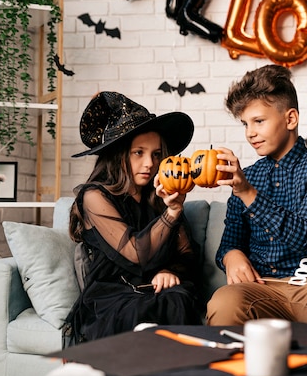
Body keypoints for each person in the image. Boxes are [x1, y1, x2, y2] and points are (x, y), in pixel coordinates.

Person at [206, 64, 307, 326]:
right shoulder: (245, 175)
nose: (250, 133)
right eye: (245, 124)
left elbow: (304, 235)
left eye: (259, 121)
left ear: (290, 118)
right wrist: (231, 256)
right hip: (262, 288)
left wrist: (247, 192)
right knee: (223, 302)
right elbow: (229, 242)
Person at [64, 91, 204, 346]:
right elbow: (135, 253)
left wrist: (168, 270)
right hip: (115, 293)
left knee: (178, 299)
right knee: (136, 313)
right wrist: (172, 213)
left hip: (159, 289)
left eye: (156, 154)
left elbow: (188, 256)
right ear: (120, 154)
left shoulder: (162, 194)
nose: (149, 163)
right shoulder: (95, 196)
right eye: (138, 152)